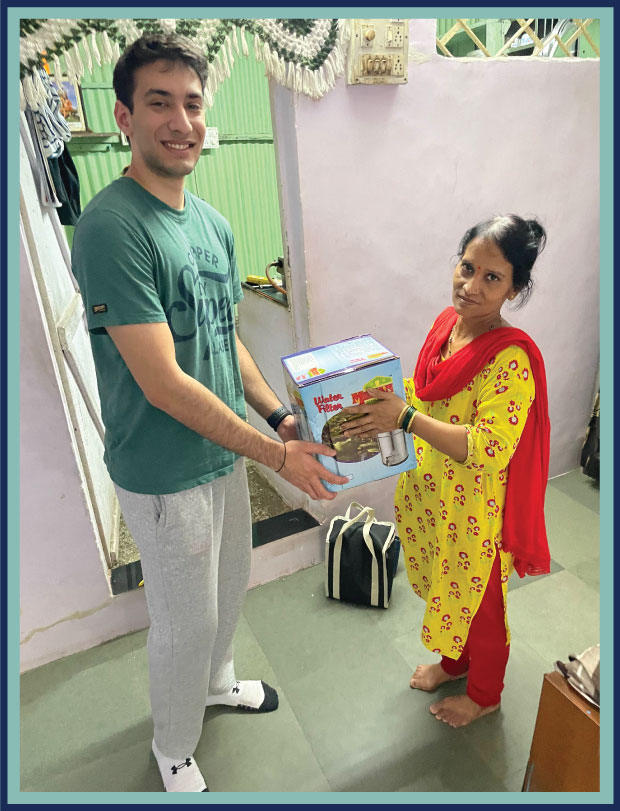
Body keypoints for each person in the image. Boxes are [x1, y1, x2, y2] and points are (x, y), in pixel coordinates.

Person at [71, 32, 347, 792]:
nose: (181, 121)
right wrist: (277, 457)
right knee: (183, 620)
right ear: (124, 116)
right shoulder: (112, 227)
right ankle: (173, 744)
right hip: (162, 470)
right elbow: (162, 383)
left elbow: (226, 341)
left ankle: (218, 683)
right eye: (159, 102)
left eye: (192, 104)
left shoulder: (212, 224)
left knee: (228, 591)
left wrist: (279, 419)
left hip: (223, 455)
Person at [341, 215, 551, 728]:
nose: (471, 286)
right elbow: (428, 395)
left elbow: (489, 447)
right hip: (431, 491)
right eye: (467, 267)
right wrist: (381, 399)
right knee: (446, 585)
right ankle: (455, 664)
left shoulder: (510, 360)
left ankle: (485, 694)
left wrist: (405, 418)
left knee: (482, 605)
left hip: (476, 508)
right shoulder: (446, 327)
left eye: (492, 278)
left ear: (514, 289)